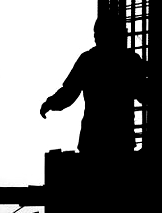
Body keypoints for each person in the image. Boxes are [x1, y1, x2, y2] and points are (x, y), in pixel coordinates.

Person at [40, 18, 149, 160]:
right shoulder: (129, 61)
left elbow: (69, 91)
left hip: (93, 139)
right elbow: (143, 94)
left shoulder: (88, 60)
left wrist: (50, 103)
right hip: (120, 139)